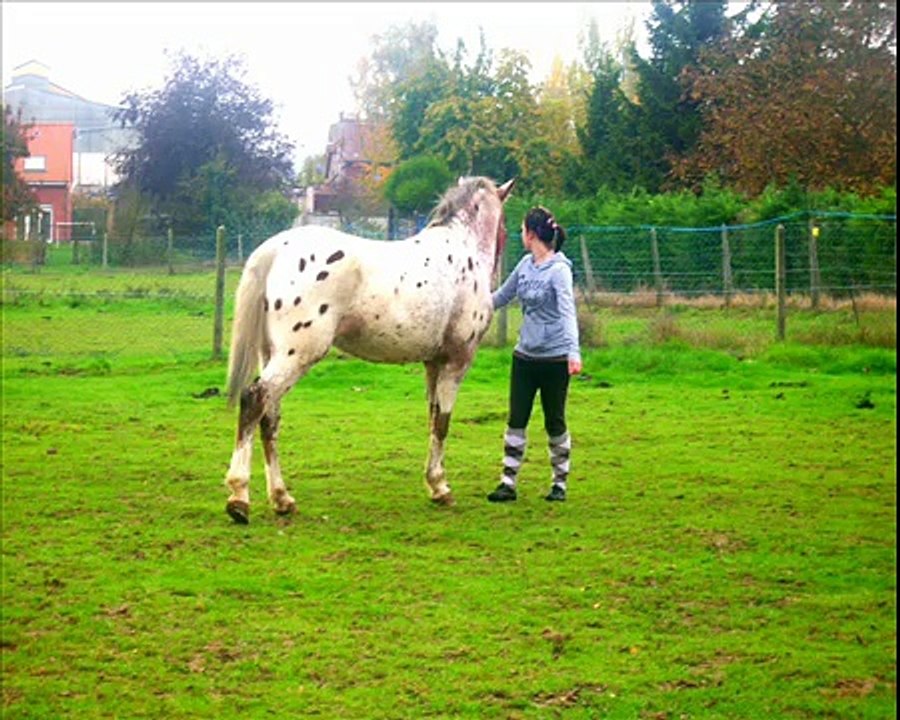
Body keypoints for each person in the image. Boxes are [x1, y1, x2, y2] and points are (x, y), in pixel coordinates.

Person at [487, 206, 582, 503]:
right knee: (517, 418)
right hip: (524, 357)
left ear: (531, 234)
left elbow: (567, 311)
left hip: (554, 359)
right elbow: (501, 296)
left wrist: (573, 352)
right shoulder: (525, 266)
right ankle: (507, 483)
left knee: (554, 421)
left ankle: (559, 484)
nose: (520, 235)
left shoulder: (559, 271)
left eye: (522, 230)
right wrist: (469, 306)